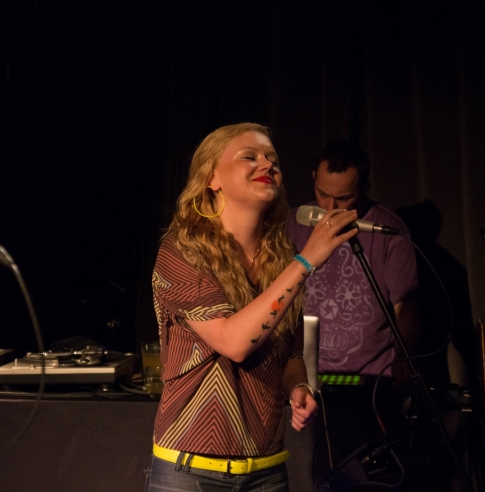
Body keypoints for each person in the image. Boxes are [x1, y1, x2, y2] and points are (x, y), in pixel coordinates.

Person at [146, 123, 359, 491]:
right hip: (191, 471)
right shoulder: (182, 252)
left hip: (267, 471)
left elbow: (290, 357)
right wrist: (306, 261)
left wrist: (298, 387)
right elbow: (234, 342)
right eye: (250, 157)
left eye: (272, 159)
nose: (267, 164)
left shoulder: (282, 258)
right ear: (212, 178)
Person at [285, 141, 420, 382]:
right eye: (322, 194)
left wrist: (403, 356)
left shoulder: (388, 231)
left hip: (370, 377)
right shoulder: (292, 224)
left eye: (344, 198)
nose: (330, 207)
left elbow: (405, 304)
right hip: (303, 375)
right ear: (314, 177)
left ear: (365, 188)